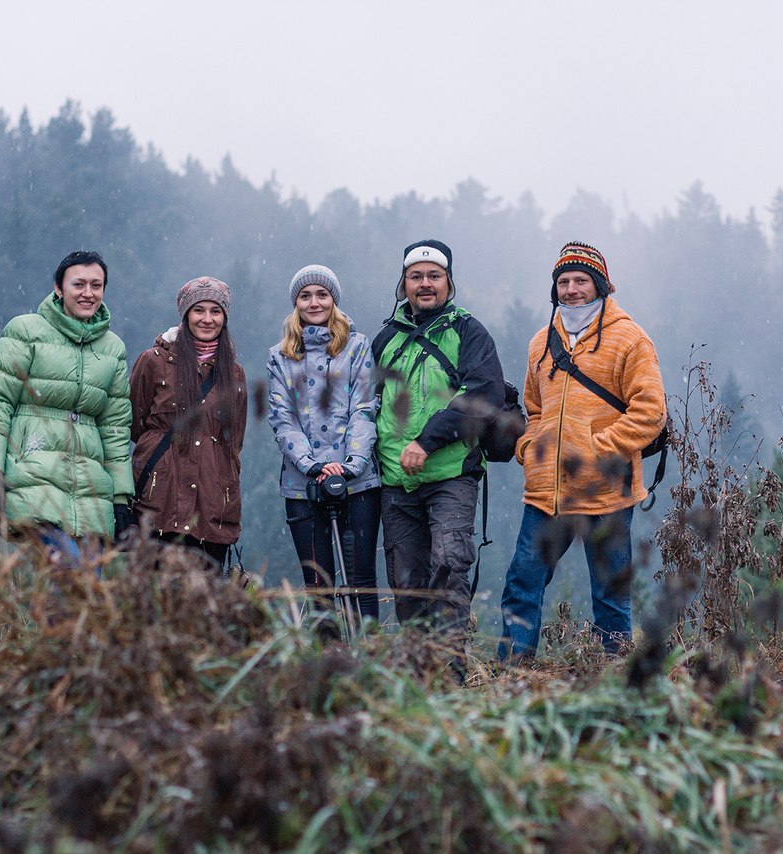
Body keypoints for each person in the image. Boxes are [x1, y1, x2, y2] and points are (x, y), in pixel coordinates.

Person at [498, 242, 666, 660]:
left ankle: (613, 684)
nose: (571, 289)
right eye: (563, 282)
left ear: (601, 286)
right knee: (522, 589)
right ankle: (510, 681)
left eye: (581, 281)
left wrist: (597, 450)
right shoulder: (541, 342)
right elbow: (534, 408)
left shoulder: (630, 338)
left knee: (610, 597)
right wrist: (528, 446)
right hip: (546, 491)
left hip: (606, 491)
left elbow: (651, 413)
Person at [372, 239, 506, 657]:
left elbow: (483, 395)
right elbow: (365, 404)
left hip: (451, 474)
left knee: (448, 571)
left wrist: (427, 441)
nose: (425, 284)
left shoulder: (468, 331)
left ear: (449, 282)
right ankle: (418, 676)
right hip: (396, 480)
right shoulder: (385, 339)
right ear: (403, 284)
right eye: (416, 277)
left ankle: (450, 675)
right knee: (406, 583)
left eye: (434, 276)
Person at [0, 250, 134, 561]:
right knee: (70, 573)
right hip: (34, 484)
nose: (88, 293)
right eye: (78, 285)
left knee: (89, 599)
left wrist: (120, 499)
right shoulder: (25, 331)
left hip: (91, 496)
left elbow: (115, 430)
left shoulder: (113, 348)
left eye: (96, 285)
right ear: (58, 288)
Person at [267, 264, 381, 625]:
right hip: (303, 485)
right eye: (305, 295)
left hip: (356, 479)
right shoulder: (280, 357)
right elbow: (281, 417)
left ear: (334, 300)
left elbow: (364, 406)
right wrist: (310, 464)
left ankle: (369, 657)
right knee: (318, 584)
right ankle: (328, 665)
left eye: (322, 294)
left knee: (360, 579)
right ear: (295, 303)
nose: (314, 302)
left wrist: (351, 462)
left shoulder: (357, 347)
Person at [129, 277, 247, 566]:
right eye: (199, 310)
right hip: (160, 501)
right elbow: (134, 424)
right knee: (155, 599)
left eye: (215, 311)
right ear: (185, 314)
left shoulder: (233, 374)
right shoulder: (154, 362)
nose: (207, 319)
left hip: (211, 506)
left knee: (204, 600)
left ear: (225, 317)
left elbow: (234, 441)